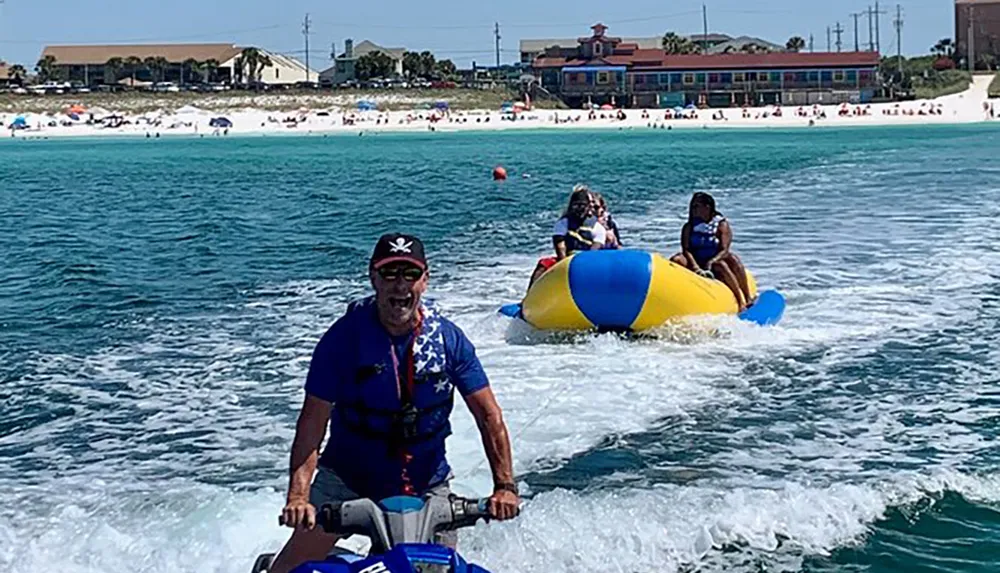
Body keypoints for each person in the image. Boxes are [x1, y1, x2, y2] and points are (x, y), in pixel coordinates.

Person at [269, 233, 520, 573]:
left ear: (425, 280)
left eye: (410, 274)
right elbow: (312, 422)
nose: (400, 286)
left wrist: (504, 487)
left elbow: (489, 416)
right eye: (389, 274)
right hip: (348, 481)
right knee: (286, 571)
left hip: (427, 487)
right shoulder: (342, 340)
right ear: (373, 277)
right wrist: (298, 498)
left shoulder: (448, 340)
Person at [670, 192, 754, 311]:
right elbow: (686, 249)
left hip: (715, 260)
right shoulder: (689, 226)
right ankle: (673, 296)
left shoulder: (721, 225)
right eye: (692, 206)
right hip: (696, 260)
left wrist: (711, 262)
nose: (693, 209)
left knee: (724, 263)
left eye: (696, 206)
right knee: (676, 259)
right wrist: (695, 266)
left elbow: (724, 250)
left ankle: (742, 300)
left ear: (707, 207)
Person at [528, 185, 607, 287]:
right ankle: (529, 296)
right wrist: (565, 268)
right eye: (576, 205)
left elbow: (594, 250)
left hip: (589, 262)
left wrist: (583, 267)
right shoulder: (563, 223)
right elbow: (560, 246)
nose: (579, 209)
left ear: (588, 207)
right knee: (543, 264)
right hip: (566, 260)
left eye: (583, 205)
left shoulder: (597, 228)